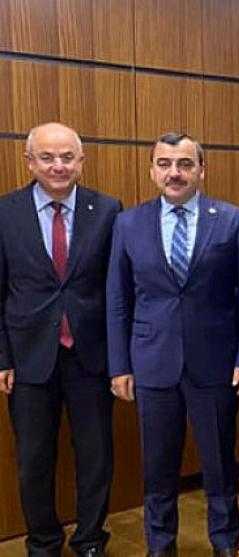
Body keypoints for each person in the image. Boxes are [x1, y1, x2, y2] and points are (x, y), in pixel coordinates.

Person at [107, 133, 239, 556]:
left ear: (201, 170)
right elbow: (117, 299)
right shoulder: (128, 224)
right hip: (152, 363)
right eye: (165, 164)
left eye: (185, 164)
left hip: (216, 363)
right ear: (152, 171)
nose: (174, 173)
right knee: (158, 469)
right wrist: (119, 365)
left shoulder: (231, 220)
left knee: (220, 466)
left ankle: (226, 544)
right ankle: (160, 547)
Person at [0, 123, 120, 557]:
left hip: (91, 356)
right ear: (29, 161)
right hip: (28, 358)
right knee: (33, 459)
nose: (58, 166)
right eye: (47, 157)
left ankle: (90, 539)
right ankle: (43, 542)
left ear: (81, 161)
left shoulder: (107, 210)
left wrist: (120, 359)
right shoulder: (5, 212)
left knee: (96, 456)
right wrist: (2, 358)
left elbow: (116, 291)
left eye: (67, 157)